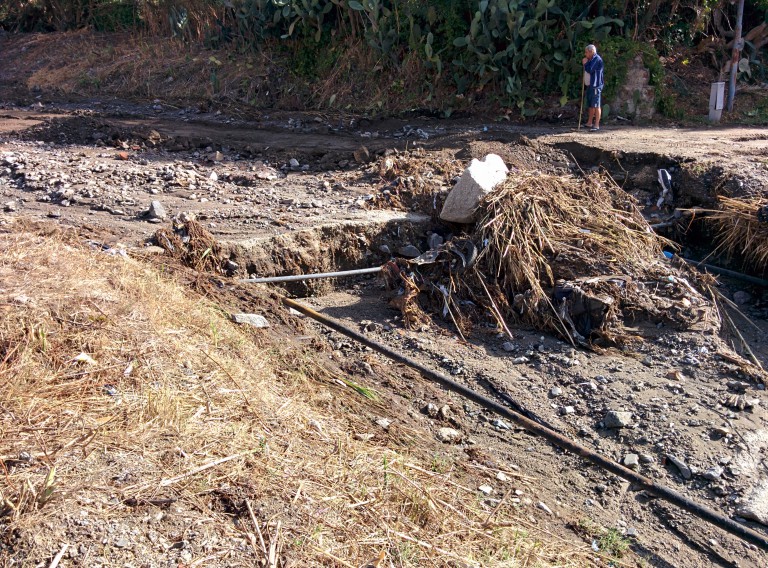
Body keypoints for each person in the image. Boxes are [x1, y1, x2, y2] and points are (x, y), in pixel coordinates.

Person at [582, 44, 604, 131]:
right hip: (590, 85)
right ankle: (589, 122)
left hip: (596, 85)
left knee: (596, 105)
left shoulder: (596, 59)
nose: (585, 54)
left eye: (586, 52)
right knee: (591, 104)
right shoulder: (591, 59)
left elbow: (590, 69)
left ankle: (596, 124)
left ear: (591, 52)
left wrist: (585, 63)